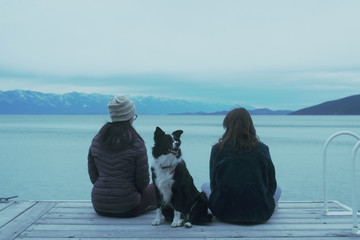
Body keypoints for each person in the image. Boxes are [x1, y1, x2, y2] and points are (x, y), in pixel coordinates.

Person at [201, 107, 281, 223]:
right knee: (279, 189)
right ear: (250, 126)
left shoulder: (218, 149)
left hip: (223, 212)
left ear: (227, 126)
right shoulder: (262, 149)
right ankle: (269, 207)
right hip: (260, 214)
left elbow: (213, 183)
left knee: (205, 185)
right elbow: (272, 183)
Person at [88, 96, 155, 217]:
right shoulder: (136, 142)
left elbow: (94, 177)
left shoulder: (97, 139)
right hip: (128, 208)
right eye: (133, 116)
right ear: (130, 116)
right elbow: (142, 182)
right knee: (158, 186)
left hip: (99, 206)